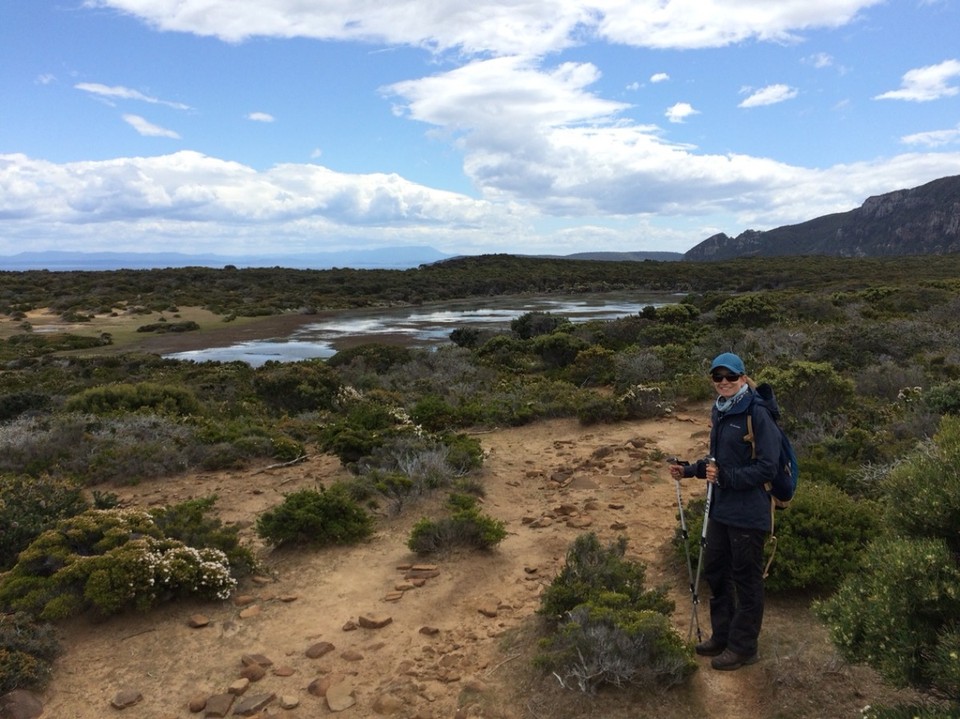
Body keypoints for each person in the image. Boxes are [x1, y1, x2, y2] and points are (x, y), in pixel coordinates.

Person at [669, 352, 779, 671]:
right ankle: (723, 635)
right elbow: (717, 463)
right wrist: (689, 470)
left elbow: (768, 467)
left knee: (746, 580)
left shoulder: (757, 413)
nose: (724, 383)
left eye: (730, 377)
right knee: (717, 573)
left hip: (748, 512)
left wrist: (727, 478)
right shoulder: (719, 412)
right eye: (718, 378)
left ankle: (744, 647)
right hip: (720, 509)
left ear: (743, 378)